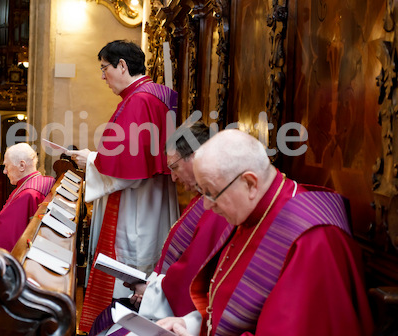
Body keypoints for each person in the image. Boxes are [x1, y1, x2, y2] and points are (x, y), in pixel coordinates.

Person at [158, 129, 373, 336]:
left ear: (250, 183)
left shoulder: (313, 240)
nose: (206, 206)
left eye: (211, 193)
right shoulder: (252, 211)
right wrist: (193, 323)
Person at [69, 40, 179, 331]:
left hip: (137, 204)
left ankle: (122, 327)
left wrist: (90, 160)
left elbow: (129, 171)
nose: (103, 76)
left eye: (104, 68)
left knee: (130, 264)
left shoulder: (140, 100)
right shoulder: (158, 94)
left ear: (122, 65)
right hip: (153, 199)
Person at [90, 121, 233, 336]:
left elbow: (191, 275)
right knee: (106, 319)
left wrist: (149, 293)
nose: (173, 177)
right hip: (163, 301)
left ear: (195, 157)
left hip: (181, 317)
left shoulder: (216, 208)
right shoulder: (201, 200)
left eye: (174, 167)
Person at [0, 143, 55, 251]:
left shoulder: (27, 194)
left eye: (6, 166)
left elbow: (7, 240)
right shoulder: (40, 181)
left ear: (22, 165)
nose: (4, 171)